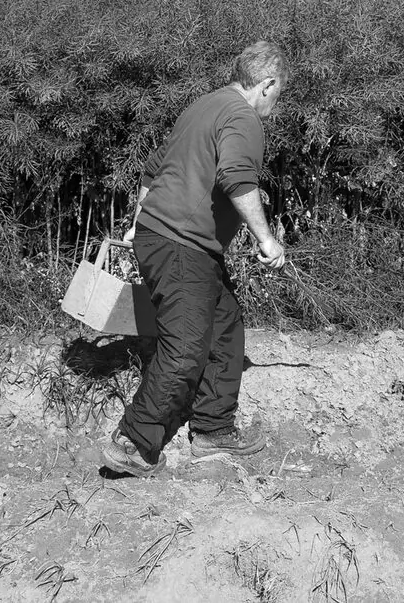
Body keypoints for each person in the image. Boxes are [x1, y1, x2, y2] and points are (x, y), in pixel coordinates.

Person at [100, 41, 288, 477]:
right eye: (278, 94)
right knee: (185, 347)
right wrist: (267, 240)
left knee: (224, 329)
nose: (276, 104)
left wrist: (139, 221)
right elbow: (237, 177)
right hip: (182, 242)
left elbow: (153, 168)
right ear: (268, 84)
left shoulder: (204, 105)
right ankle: (134, 440)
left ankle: (212, 428)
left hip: (172, 239)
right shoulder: (242, 116)